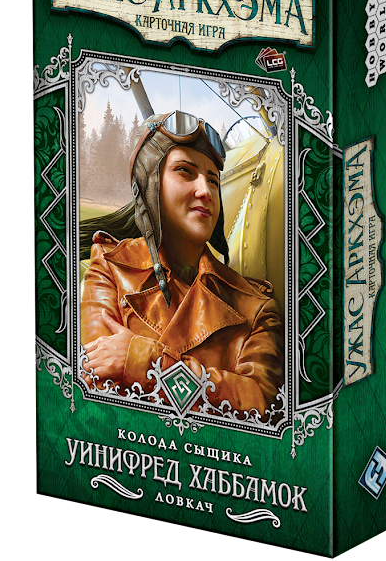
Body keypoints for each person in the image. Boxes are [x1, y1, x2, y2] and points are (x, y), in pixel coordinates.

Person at [80, 111, 284, 418]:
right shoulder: (109, 267)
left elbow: (259, 404)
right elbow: (96, 384)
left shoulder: (257, 308)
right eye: (185, 171)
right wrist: (217, 383)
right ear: (149, 186)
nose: (205, 191)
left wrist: (144, 361)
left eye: (213, 180)